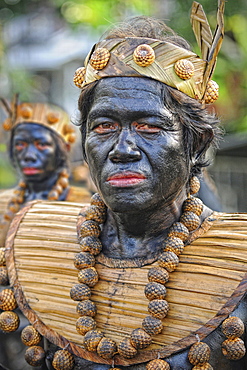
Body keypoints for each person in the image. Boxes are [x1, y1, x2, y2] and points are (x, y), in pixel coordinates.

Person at [2, 1, 247, 369]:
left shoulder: (239, 267)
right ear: (84, 145)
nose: (123, 150)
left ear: (196, 144)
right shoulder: (26, 251)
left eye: (149, 127)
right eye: (104, 127)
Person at [0, 97, 91, 248]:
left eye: (41, 144)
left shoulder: (83, 205)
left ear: (64, 150)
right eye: (20, 144)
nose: (29, 155)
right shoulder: (3, 203)